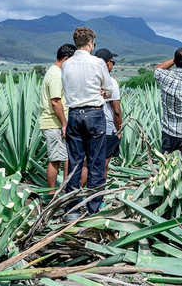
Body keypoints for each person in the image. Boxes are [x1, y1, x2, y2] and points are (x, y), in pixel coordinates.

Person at [62, 27, 113, 220]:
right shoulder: (97, 62)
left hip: (74, 114)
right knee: (96, 163)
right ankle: (93, 208)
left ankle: (73, 209)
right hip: (94, 114)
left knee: (75, 162)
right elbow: (108, 90)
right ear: (90, 43)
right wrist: (101, 92)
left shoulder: (67, 64)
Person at [80, 48, 122, 188]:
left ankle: (74, 194)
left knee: (88, 161)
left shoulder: (88, 80)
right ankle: (97, 197)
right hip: (106, 126)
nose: (112, 65)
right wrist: (119, 130)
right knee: (103, 164)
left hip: (86, 124)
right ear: (108, 64)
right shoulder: (110, 82)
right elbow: (116, 111)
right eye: (112, 62)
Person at [39, 44, 76, 195]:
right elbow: (56, 101)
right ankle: (51, 194)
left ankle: (65, 190)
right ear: (66, 59)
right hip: (54, 123)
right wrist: (64, 123)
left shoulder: (56, 72)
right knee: (55, 159)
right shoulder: (55, 75)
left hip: (58, 123)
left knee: (65, 157)